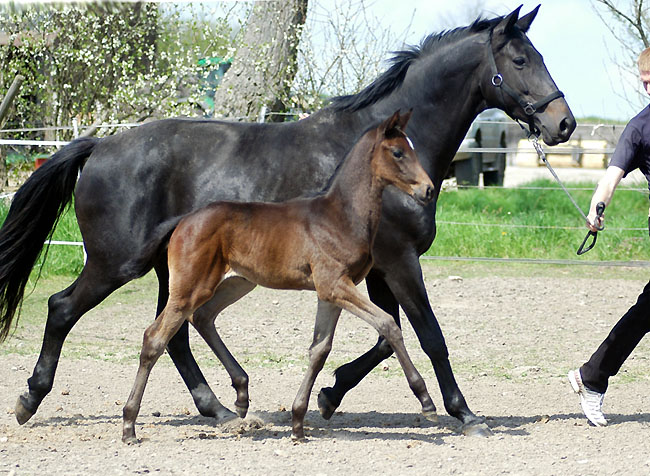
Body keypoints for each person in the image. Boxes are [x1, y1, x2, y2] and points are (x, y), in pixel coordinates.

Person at [568, 46, 650, 427]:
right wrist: (597, 209)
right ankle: (592, 377)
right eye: (645, 81)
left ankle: (592, 376)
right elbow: (611, 176)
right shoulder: (639, 128)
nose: (648, 87)